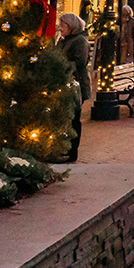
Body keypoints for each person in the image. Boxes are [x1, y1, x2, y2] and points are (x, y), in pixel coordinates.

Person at [57, 13, 91, 163]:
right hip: (63, 84)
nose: (59, 28)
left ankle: (72, 152)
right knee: (65, 117)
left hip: (76, 85)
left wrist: (60, 66)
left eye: (62, 25)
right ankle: (63, 148)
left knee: (74, 119)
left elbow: (79, 63)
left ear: (71, 26)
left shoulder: (80, 41)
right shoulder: (63, 40)